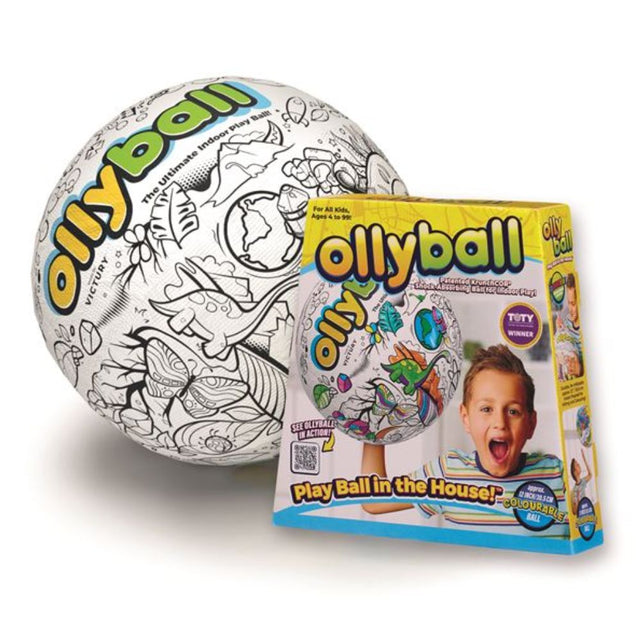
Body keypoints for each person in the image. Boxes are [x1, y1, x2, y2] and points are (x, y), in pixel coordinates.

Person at [361, 344, 568, 535]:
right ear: (466, 418)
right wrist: (373, 425)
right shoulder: (448, 475)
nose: (500, 422)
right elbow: (374, 501)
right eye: (486, 409)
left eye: (513, 411)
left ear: (531, 423)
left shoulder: (559, 476)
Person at [556, 273, 583, 379]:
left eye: (573, 304)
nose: (570, 309)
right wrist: (560, 330)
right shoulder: (567, 321)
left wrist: (578, 368)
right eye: (569, 303)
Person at [570, 449, 592, 515]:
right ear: (575, 472)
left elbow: (590, 475)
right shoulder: (575, 490)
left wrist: (584, 459)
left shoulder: (583, 481)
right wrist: (577, 502)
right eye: (577, 465)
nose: (579, 464)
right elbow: (574, 512)